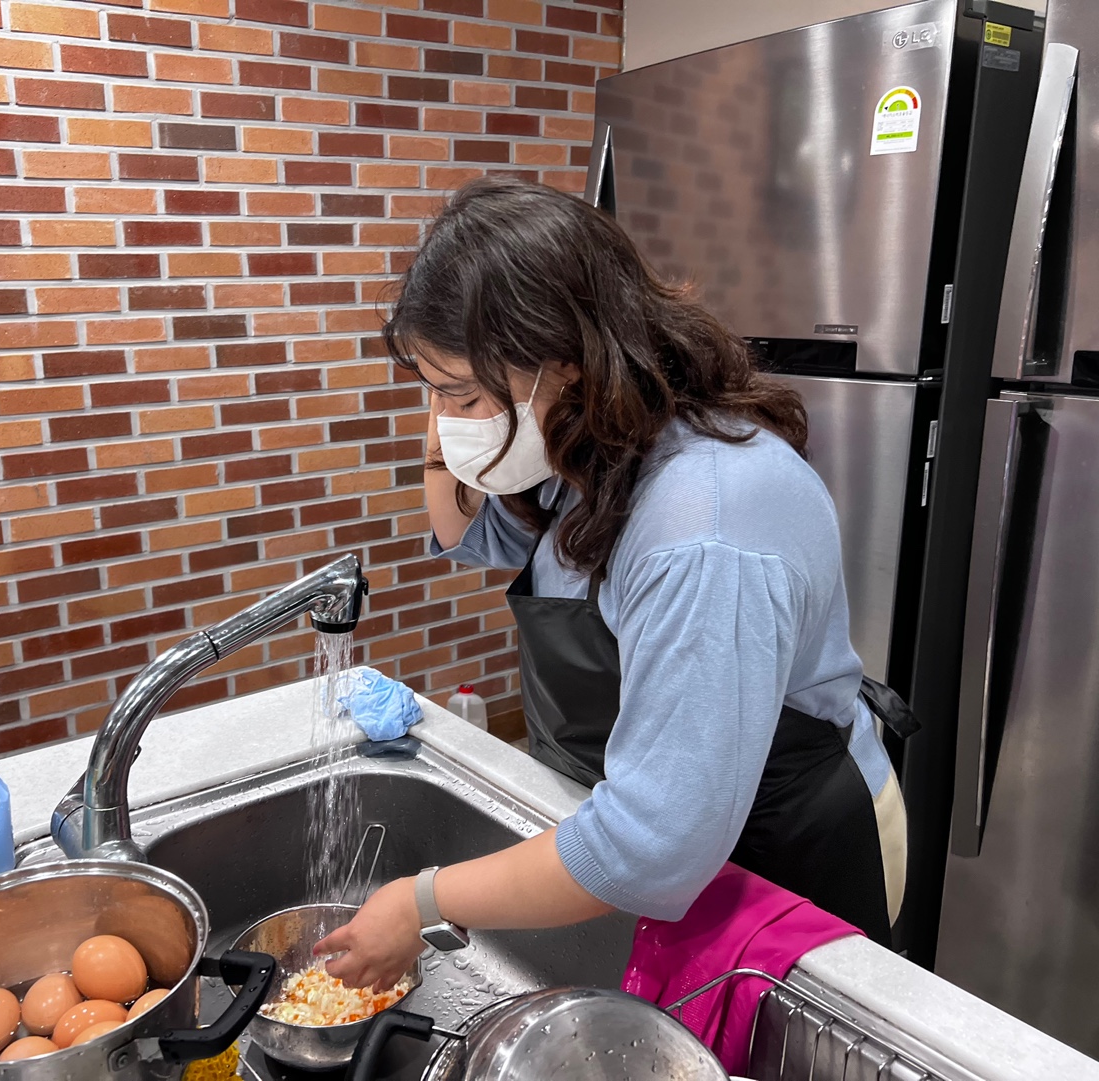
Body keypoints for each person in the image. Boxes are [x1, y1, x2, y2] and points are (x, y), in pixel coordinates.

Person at [316, 177, 909, 992]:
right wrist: (450, 405)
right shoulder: (594, 444)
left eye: (464, 396)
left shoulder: (705, 525)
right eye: (438, 395)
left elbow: (650, 846)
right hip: (668, 835)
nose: (449, 420)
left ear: (566, 362)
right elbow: (468, 530)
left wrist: (423, 900)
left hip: (782, 860)